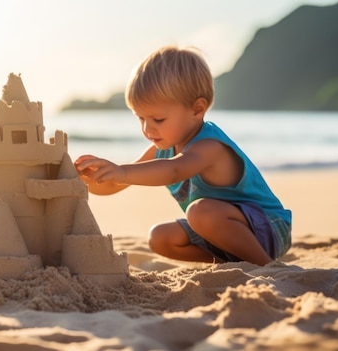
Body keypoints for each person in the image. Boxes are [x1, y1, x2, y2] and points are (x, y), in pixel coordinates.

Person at [74, 46, 291, 266]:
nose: (148, 129)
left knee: (198, 212)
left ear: (197, 109)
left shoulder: (209, 146)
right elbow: (115, 184)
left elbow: (174, 170)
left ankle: (266, 266)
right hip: (218, 227)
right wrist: (82, 180)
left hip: (269, 229)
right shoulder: (163, 147)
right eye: (141, 119)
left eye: (158, 119)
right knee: (160, 238)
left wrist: (121, 171)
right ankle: (232, 262)